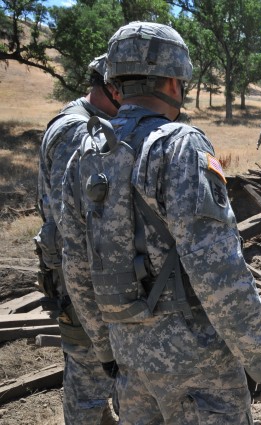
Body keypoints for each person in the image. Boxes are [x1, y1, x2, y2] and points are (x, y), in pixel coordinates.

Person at [60, 22, 261, 424]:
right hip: (201, 369)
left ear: (116, 82)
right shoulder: (182, 146)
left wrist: (107, 351)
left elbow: (76, 269)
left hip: (128, 356)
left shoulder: (84, 157)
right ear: (175, 81)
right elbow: (218, 270)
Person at [35, 54, 119, 425]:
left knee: (92, 372)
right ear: (111, 88)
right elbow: (77, 224)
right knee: (88, 377)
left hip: (72, 274)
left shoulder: (77, 119)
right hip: (78, 280)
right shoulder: (78, 132)